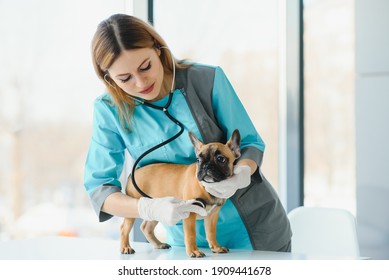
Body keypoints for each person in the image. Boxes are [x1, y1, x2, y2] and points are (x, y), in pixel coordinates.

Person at [84, 13, 292, 252]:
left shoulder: (207, 79)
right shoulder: (109, 110)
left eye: (145, 67)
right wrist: (146, 208)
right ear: (108, 78)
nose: (141, 83)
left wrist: (242, 171)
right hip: (186, 243)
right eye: (125, 78)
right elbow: (100, 189)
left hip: (257, 233)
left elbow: (249, 143)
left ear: (158, 50)